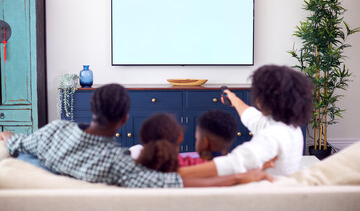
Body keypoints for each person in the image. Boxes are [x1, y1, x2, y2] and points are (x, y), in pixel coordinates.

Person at [0, 83, 273, 187]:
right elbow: (172, 182)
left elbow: (14, 143)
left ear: (92, 108)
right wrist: (239, 176)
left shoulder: (54, 130)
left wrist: (8, 135)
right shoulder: (116, 164)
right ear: (124, 120)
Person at [179, 65, 313, 178]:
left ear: (264, 99)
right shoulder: (289, 127)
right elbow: (253, 118)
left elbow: (234, 163)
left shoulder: (271, 136)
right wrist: (233, 99)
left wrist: (177, 174)